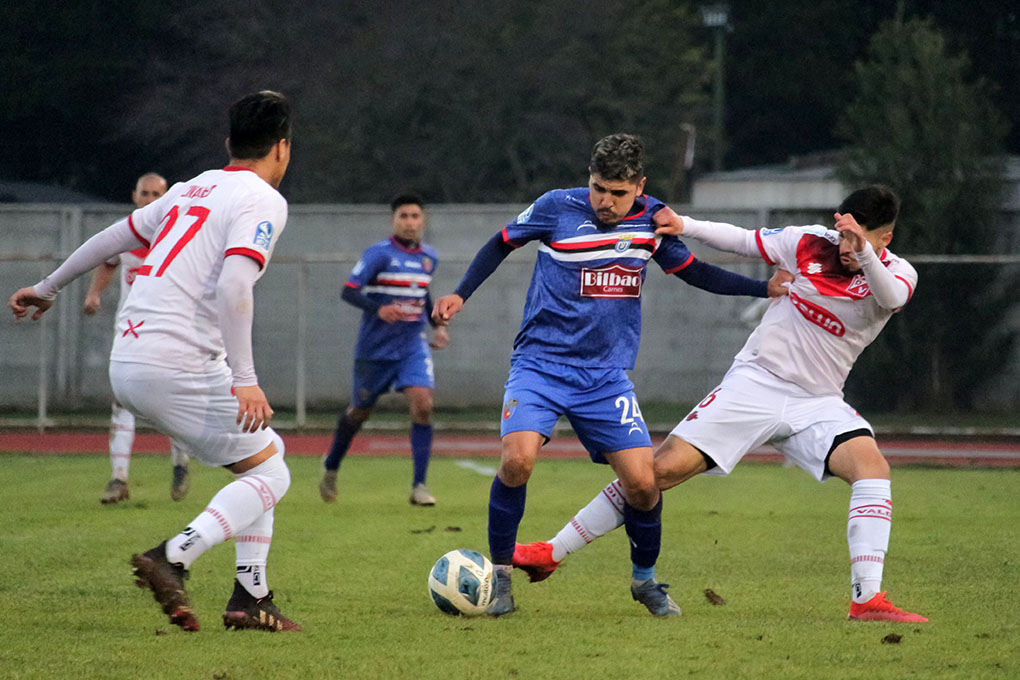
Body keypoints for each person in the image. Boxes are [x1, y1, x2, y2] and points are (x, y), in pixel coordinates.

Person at [514, 185, 929, 623]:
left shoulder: (898, 273)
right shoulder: (809, 241)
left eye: (858, 238)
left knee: (872, 468)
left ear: (884, 238)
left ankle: (866, 600)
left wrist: (863, 252)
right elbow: (744, 240)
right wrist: (686, 226)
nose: (845, 246)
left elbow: (892, 299)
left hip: (819, 401)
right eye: (842, 234)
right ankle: (551, 552)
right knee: (655, 474)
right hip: (755, 384)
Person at [432, 133, 790, 617]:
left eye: (618, 193)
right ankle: (500, 579)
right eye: (600, 188)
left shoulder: (654, 219)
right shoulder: (555, 208)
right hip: (540, 365)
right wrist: (460, 294)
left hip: (605, 378)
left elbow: (694, 271)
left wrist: (762, 288)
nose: (606, 201)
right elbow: (499, 245)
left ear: (639, 187)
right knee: (517, 462)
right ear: (589, 180)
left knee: (644, 485)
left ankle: (645, 582)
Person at [9, 90, 301, 633]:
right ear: (282, 149)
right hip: (179, 362)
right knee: (274, 472)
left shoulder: (194, 187)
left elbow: (115, 236)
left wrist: (49, 286)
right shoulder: (263, 199)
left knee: (261, 460)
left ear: (227, 143)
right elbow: (237, 283)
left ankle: (251, 597)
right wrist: (246, 379)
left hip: (130, 359)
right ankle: (174, 557)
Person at [319, 192, 449, 506]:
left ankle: (419, 486)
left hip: (411, 345)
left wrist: (438, 325)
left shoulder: (429, 258)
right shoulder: (378, 254)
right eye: (403, 216)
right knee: (359, 413)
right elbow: (349, 291)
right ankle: (332, 465)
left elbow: (423, 293)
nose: (410, 223)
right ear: (394, 220)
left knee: (423, 405)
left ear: (423, 220)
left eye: (415, 216)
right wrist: (377, 309)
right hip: (375, 349)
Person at [83, 172, 193, 504]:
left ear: (167, 197)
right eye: (144, 193)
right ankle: (119, 478)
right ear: (135, 196)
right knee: (121, 401)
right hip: (130, 330)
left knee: (172, 401)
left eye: (156, 194)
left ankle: (180, 461)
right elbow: (108, 261)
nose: (150, 200)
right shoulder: (127, 231)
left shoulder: (179, 233)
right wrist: (94, 294)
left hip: (171, 329)